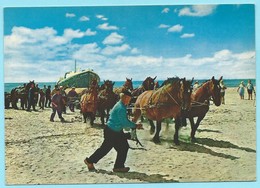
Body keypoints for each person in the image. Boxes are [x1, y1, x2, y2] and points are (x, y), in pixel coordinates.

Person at [84, 90, 143, 173]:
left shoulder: (121, 105)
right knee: (105, 149)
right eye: (129, 99)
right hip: (112, 132)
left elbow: (123, 121)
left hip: (115, 131)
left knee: (123, 147)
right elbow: (124, 122)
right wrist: (135, 125)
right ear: (124, 98)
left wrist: (133, 124)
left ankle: (118, 167)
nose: (129, 101)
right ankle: (89, 161)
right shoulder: (121, 108)